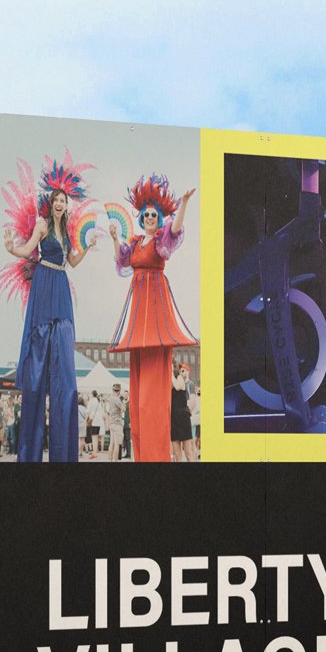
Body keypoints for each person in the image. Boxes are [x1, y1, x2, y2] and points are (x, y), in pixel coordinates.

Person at [0, 156, 96, 462]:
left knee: (64, 372)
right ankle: (29, 454)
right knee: (38, 370)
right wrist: (11, 248)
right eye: (57, 200)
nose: (60, 204)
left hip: (61, 288)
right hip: (43, 286)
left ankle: (64, 455)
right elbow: (27, 250)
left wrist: (88, 247)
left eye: (64, 201)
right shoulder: (41, 226)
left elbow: (73, 263)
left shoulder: (68, 232)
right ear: (50, 202)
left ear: (67, 206)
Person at [107, 176, 197, 462]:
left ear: (158, 218)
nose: (148, 218)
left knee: (152, 399)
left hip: (155, 314)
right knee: (136, 398)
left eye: (153, 215)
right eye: (145, 214)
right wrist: (113, 238)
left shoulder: (161, 239)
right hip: (138, 316)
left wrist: (183, 203)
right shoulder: (134, 243)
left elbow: (177, 228)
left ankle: (157, 456)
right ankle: (142, 454)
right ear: (140, 217)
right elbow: (122, 262)